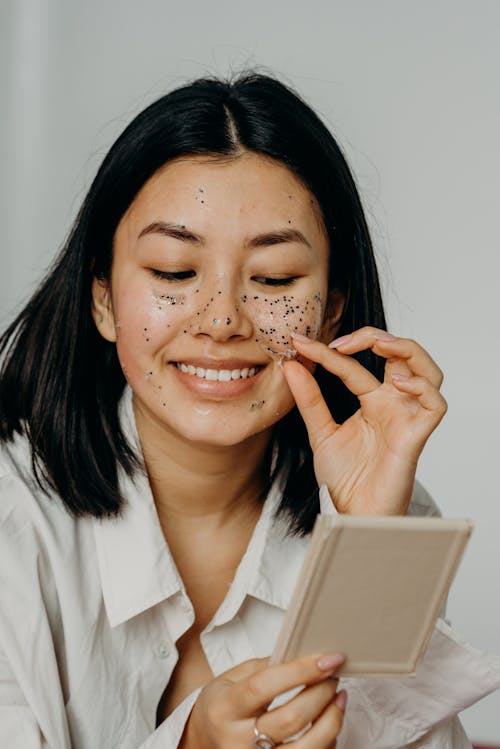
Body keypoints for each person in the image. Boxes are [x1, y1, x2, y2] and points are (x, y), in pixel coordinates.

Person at [0, 71, 498, 749]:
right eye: (175, 270)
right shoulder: (13, 522)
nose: (222, 319)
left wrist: (373, 543)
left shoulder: (382, 513)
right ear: (104, 299)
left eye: (274, 279)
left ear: (331, 311)